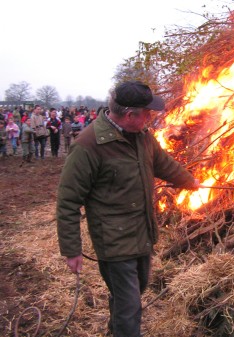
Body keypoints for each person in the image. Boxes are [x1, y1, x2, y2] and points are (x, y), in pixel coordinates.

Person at [56, 80, 200, 337]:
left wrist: (190, 182)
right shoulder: (88, 145)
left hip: (142, 233)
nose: (150, 117)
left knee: (134, 292)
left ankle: (117, 330)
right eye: (147, 113)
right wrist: (71, 249)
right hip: (113, 241)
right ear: (130, 114)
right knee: (129, 305)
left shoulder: (143, 137)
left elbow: (164, 164)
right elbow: (68, 201)